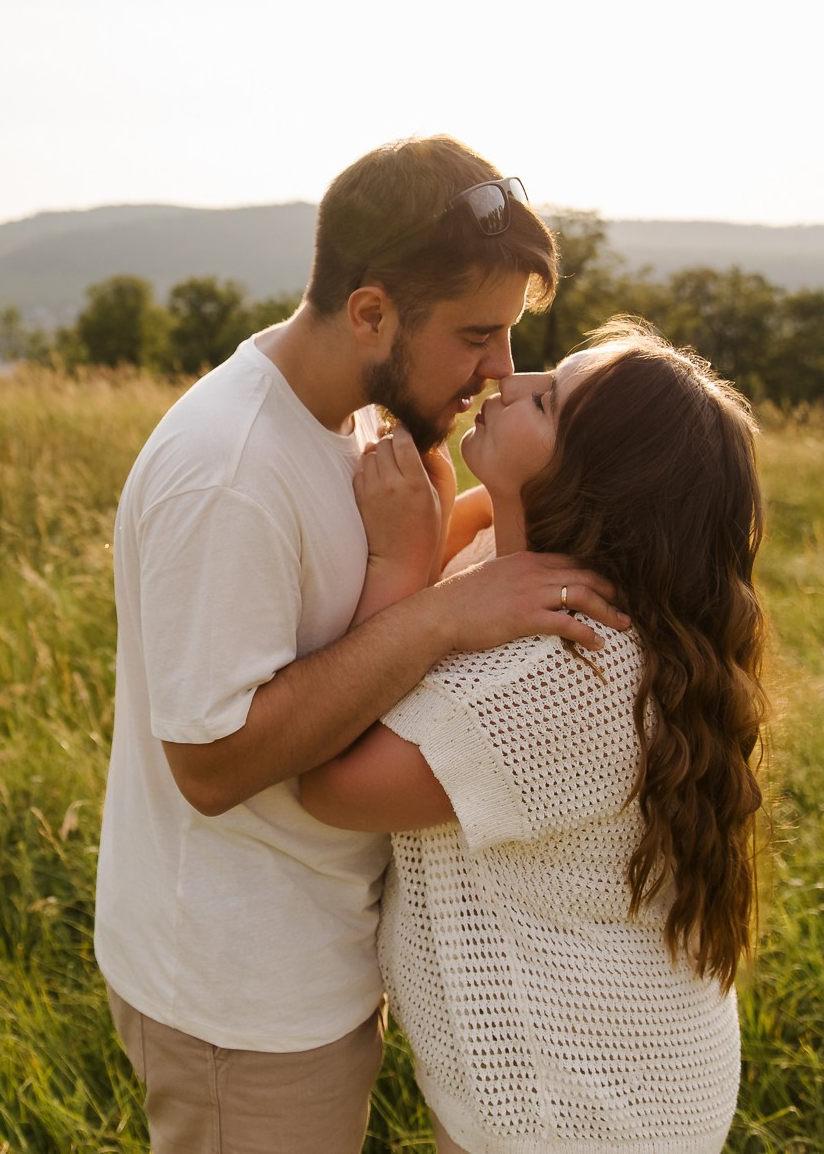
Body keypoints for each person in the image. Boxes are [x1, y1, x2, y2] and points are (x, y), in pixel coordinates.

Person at [93, 135, 629, 1153]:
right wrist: (435, 614)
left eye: (510, 335)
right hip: (234, 994)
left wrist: (474, 527)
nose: (498, 370)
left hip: (308, 950)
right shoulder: (230, 475)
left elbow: (347, 613)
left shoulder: (350, 415)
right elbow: (210, 765)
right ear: (370, 310)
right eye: (477, 334)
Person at [298, 321, 767, 1153]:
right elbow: (466, 540)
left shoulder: (568, 672)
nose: (513, 378)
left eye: (548, 399)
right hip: (625, 1069)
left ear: (586, 481)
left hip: (578, 1110)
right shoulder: (522, 559)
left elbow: (333, 781)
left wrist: (399, 575)